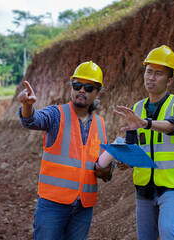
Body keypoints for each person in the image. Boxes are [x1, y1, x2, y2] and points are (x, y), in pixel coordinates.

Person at [18, 61, 112, 240]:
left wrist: (107, 171)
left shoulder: (100, 125)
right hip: (53, 205)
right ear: (71, 88)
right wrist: (27, 106)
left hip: (83, 207)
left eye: (88, 87)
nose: (81, 90)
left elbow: (104, 167)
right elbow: (32, 120)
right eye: (77, 85)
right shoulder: (56, 115)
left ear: (98, 93)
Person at [114, 45, 174, 240]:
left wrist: (146, 123)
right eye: (149, 72)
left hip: (172, 186)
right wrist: (123, 162)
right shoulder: (137, 108)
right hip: (144, 188)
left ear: (170, 80)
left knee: (167, 232)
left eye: (158, 74)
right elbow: (132, 148)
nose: (151, 77)